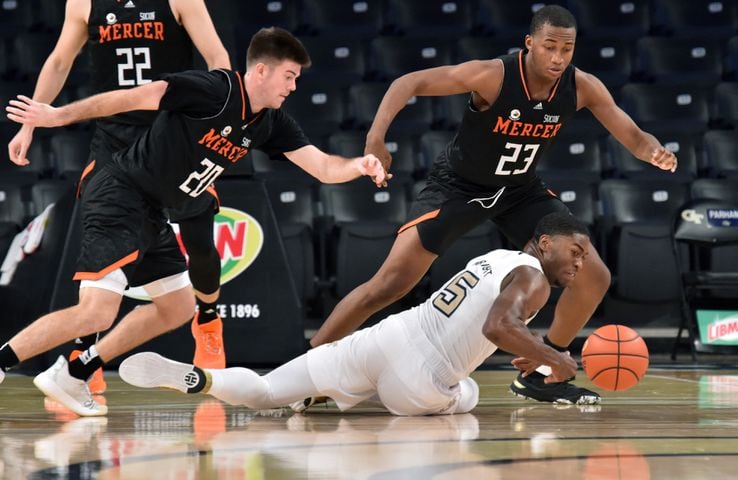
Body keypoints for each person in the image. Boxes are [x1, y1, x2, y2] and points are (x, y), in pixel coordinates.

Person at [1, 27, 388, 416]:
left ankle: (75, 372)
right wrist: (57, 116)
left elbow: (321, 166)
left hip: (155, 210)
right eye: (289, 76)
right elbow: (131, 97)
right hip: (121, 193)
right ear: (261, 72)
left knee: (179, 307)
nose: (293, 86)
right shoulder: (213, 90)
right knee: (97, 312)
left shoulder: (270, 123)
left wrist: (359, 165)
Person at [305, 4, 678, 406]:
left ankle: (539, 373)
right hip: (459, 186)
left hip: (521, 190)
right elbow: (407, 82)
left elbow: (634, 136)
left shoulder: (582, 86)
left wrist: (654, 151)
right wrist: (375, 140)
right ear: (529, 43)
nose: (557, 57)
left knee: (594, 275)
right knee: (389, 285)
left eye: (566, 49)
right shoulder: (493, 75)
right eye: (549, 46)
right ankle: (309, 372)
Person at [118, 212, 588, 415]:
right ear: (545, 242)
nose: (579, 263)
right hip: (421, 378)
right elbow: (497, 326)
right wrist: (556, 359)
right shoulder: (534, 278)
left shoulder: (494, 258)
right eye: (575, 251)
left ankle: (204, 380)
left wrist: (528, 345)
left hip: (388, 336)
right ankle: (342, 394)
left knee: (264, 393)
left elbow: (498, 324)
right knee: (468, 397)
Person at [6, 0, 232, 386]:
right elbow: (60, 61)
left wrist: (218, 110)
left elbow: (218, 59)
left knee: (199, 241)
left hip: (172, 136)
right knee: (107, 251)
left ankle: (208, 321)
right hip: (116, 142)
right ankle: (83, 350)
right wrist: (29, 125)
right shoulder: (82, 3)